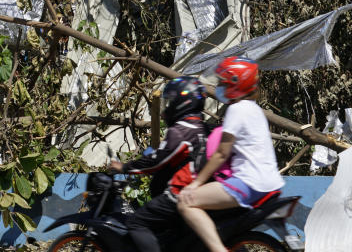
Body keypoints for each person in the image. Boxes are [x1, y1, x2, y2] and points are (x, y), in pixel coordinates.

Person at [177, 56, 284, 252]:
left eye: (223, 81)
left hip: (249, 183)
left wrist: (196, 183)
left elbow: (221, 153)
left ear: (235, 82)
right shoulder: (255, 110)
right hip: (271, 184)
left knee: (186, 202)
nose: (219, 85)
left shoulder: (236, 110)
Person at [110, 76, 209, 252]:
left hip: (180, 192)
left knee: (136, 221)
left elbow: (156, 162)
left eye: (171, 101)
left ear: (182, 102)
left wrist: (125, 167)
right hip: (200, 190)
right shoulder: (204, 128)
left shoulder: (181, 131)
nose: (166, 109)